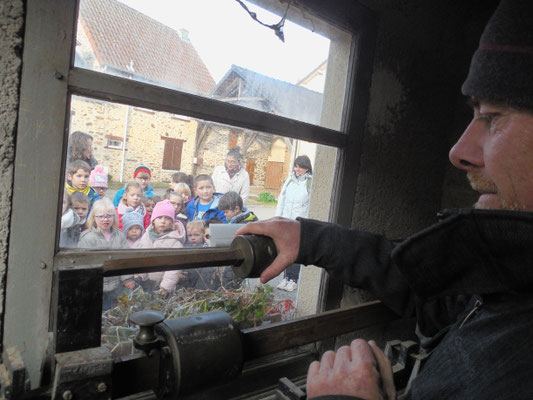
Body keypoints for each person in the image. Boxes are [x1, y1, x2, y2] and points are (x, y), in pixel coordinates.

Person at [237, 1, 533, 398]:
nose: (459, 151)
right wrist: (312, 240)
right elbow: (433, 294)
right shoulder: (513, 276)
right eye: (473, 114)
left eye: (494, 117)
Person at [78, 198, 133, 310]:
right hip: (96, 286)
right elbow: (84, 264)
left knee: (115, 313)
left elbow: (124, 259)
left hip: (116, 285)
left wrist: (127, 279)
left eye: (109, 216)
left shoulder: (120, 235)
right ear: (94, 218)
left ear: (114, 217)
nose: (105, 219)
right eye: (101, 216)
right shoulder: (87, 238)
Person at [275, 155, 313, 292]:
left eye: (301, 167)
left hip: (298, 225)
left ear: (307, 169)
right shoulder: (290, 180)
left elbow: (310, 206)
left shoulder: (310, 183)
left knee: (295, 253)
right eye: (296, 166)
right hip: (285, 223)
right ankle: (285, 278)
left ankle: (293, 280)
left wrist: (305, 224)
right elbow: (282, 199)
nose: (297, 169)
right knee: (285, 252)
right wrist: (278, 219)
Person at [136, 200, 186, 296]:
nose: (163, 221)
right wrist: (137, 275)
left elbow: (174, 268)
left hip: (162, 285)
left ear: (172, 222)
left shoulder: (175, 242)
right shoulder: (146, 236)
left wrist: (165, 287)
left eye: (167, 218)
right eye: (159, 218)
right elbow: (140, 256)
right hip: (145, 282)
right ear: (153, 220)